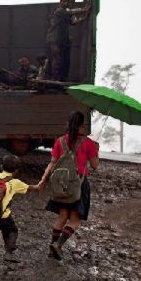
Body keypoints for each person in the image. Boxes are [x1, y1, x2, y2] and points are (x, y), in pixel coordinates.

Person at [39, 111, 99, 260]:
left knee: (62, 216)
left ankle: (52, 250)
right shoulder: (88, 143)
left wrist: (43, 180)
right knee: (75, 220)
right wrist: (96, 150)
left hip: (62, 183)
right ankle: (58, 245)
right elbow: (95, 165)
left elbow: (52, 162)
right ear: (81, 125)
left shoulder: (60, 141)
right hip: (79, 184)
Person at [0, 155, 41, 262]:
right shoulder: (14, 183)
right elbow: (29, 188)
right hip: (4, 216)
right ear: (15, 171)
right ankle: (9, 253)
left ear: (1, 167)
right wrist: (38, 186)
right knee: (12, 231)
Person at [45, 0, 91, 81]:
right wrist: (84, 9)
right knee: (57, 58)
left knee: (62, 60)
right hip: (53, 39)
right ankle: (55, 78)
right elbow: (71, 13)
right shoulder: (59, 11)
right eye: (65, 1)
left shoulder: (65, 12)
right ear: (60, 2)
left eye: (68, 2)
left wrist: (83, 18)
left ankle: (59, 78)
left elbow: (73, 22)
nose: (67, 3)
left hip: (59, 40)